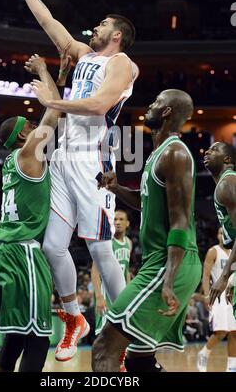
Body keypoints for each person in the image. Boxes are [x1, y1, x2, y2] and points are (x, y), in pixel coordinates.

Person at [1, 0, 139, 361]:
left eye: (100, 25)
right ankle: (75, 318)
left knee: (100, 251)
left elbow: (99, 104)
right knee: (52, 246)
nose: (92, 29)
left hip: (91, 161)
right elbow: (47, 20)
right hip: (62, 157)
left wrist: (51, 100)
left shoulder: (122, 64)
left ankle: (122, 328)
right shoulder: (81, 54)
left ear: (116, 35)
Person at [91, 89, 202, 372]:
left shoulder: (175, 153)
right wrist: (114, 187)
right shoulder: (158, 155)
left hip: (169, 264)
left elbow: (180, 222)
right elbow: (145, 202)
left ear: (166, 112)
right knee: (139, 361)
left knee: (104, 348)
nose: (150, 106)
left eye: (156, 102)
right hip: (161, 262)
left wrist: (168, 280)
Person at [0, 53, 70, 372]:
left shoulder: (11, 162)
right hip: (20, 252)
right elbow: (55, 109)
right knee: (37, 336)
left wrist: (57, 79)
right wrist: (44, 71)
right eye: (31, 126)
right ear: (23, 135)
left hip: (0, 250)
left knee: (18, 335)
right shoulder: (28, 152)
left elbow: (54, 103)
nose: (36, 128)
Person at [204, 142, 236, 372]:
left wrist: (225, 275)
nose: (207, 152)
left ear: (227, 160)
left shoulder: (228, 183)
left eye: (214, 150)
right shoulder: (223, 185)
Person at [91, 210, 132, 371]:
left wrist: (129, 294)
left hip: (121, 298)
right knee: (104, 340)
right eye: (114, 219)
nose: (118, 222)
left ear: (127, 223)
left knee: (120, 338)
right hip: (106, 298)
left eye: (121, 219)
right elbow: (95, 270)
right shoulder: (105, 242)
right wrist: (99, 297)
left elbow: (127, 270)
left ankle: (118, 367)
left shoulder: (128, 243)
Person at [197, 227, 236, 372]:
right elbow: (206, 275)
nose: (222, 235)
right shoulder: (213, 251)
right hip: (217, 295)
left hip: (232, 295)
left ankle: (231, 367)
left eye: (224, 232)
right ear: (218, 236)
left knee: (234, 332)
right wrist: (207, 295)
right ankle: (204, 353)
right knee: (220, 331)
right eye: (220, 232)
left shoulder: (234, 253)